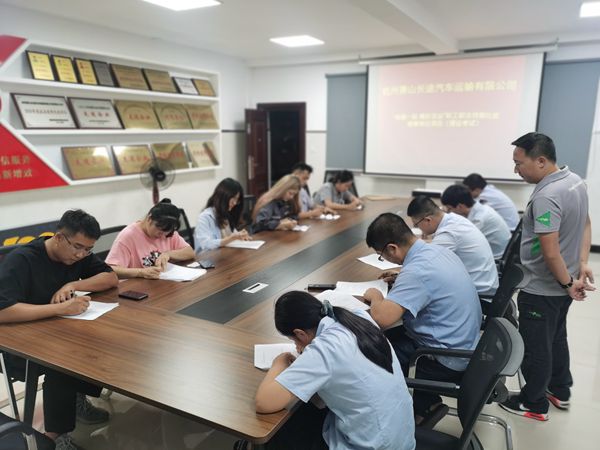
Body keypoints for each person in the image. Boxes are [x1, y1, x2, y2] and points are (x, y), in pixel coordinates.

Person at [0, 209, 118, 450]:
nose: (81, 254)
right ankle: (55, 435)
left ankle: (76, 400)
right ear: (59, 238)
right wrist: (59, 309)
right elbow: (3, 311)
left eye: (88, 249)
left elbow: (110, 277)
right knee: (64, 360)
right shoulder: (22, 259)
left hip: (53, 330)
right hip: (16, 343)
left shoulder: (77, 256)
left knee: (98, 338)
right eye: (78, 247)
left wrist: (73, 283)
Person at [239, 290, 415, 450]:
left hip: (373, 444)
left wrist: (280, 363)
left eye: (294, 341)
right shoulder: (358, 318)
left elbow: (264, 403)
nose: (297, 347)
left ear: (300, 333)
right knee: (307, 407)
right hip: (400, 437)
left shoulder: (325, 348)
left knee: (280, 432)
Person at [499, 132, 594, 421]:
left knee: (536, 347)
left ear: (540, 161)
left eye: (519, 163)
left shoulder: (547, 196)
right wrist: (581, 265)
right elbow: (585, 223)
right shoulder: (575, 181)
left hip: (543, 287)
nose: (516, 170)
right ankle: (559, 389)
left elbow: (550, 252)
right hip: (563, 283)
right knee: (556, 338)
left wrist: (568, 283)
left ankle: (534, 402)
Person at [363, 213, 481, 428]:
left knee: (369, 352)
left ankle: (418, 409)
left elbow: (382, 318)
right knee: (383, 339)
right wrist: (401, 279)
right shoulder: (437, 251)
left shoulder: (417, 271)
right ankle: (426, 403)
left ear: (392, 248)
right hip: (465, 344)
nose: (386, 260)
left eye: (382, 256)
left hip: (443, 358)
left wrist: (375, 295)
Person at [407, 195, 499, 295]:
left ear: (428, 220)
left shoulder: (448, 233)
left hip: (479, 294)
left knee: (416, 289)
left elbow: (422, 265)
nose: (418, 228)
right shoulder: (455, 219)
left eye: (416, 224)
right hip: (486, 284)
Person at [106, 199, 195, 278]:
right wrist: (141, 272)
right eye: (160, 231)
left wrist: (168, 254)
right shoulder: (128, 236)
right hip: (138, 285)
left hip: (162, 283)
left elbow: (190, 252)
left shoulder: (167, 232)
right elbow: (110, 270)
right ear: (149, 219)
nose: (162, 236)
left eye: (166, 233)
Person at [441, 184, 511, 259]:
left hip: (496, 257)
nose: (448, 212)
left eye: (449, 209)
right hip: (500, 250)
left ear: (460, 206)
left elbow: (460, 241)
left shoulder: (478, 219)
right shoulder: (479, 207)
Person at [194, 178, 250, 253]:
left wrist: (241, 236)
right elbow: (206, 244)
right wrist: (231, 238)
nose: (234, 203)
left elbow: (233, 235)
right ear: (223, 197)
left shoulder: (226, 215)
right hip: (207, 258)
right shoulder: (205, 217)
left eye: (237, 200)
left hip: (224, 256)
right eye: (233, 198)